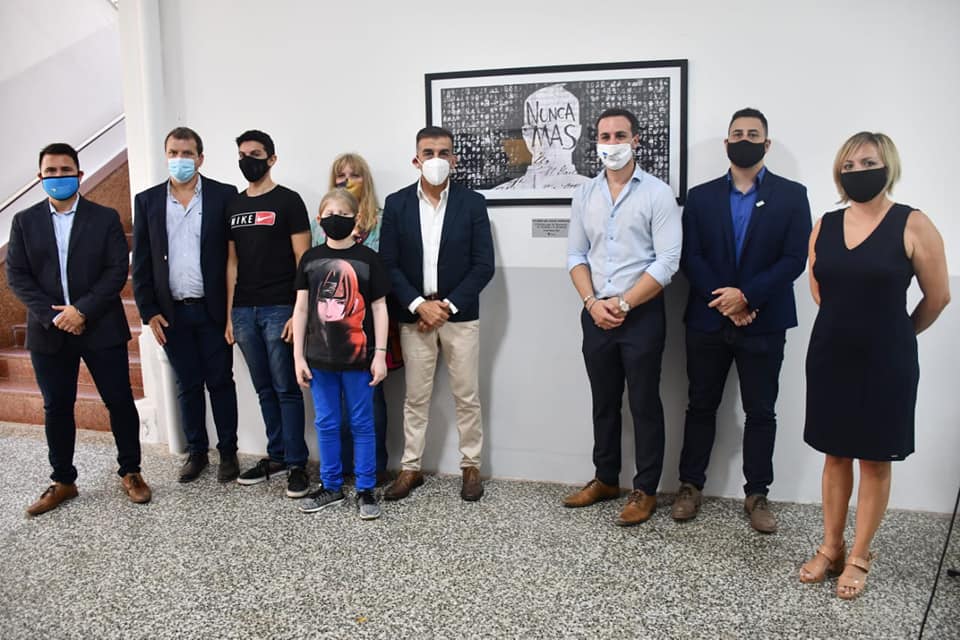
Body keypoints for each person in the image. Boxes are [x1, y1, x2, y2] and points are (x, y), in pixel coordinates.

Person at [799, 132, 949, 599]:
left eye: (868, 162)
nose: (857, 171)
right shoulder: (825, 224)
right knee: (835, 453)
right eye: (849, 164)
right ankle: (831, 547)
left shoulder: (913, 222)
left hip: (887, 360)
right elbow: (819, 288)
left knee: (875, 457)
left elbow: (938, 296)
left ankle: (860, 554)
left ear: (888, 167)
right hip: (830, 354)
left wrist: (898, 333)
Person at [671, 108, 812, 533]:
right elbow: (691, 256)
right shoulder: (700, 197)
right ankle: (690, 486)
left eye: (753, 134)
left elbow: (794, 258)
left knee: (761, 410)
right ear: (726, 143)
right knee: (700, 405)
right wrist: (726, 301)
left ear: (766, 144)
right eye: (737, 134)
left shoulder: (792, 195)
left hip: (764, 321)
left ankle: (757, 493)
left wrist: (747, 297)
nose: (744, 140)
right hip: (708, 319)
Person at [7, 143, 152, 515]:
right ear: (40, 177)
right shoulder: (24, 221)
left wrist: (82, 310)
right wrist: (54, 315)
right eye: (51, 171)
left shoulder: (104, 217)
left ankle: (131, 471)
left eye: (65, 170)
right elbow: (17, 276)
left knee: (119, 401)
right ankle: (63, 480)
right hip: (49, 330)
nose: (58, 177)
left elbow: (116, 269)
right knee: (56, 407)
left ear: (79, 174)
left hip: (101, 325)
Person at [563, 108, 682, 526]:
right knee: (604, 401)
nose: (611, 144)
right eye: (604, 136)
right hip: (596, 313)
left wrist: (625, 304)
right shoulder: (585, 194)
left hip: (641, 314)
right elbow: (576, 255)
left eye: (619, 135)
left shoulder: (657, 194)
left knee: (644, 403)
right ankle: (605, 478)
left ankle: (645, 489)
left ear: (636, 140)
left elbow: (668, 261)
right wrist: (592, 303)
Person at [379, 125, 495, 502]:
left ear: (454, 159)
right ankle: (410, 468)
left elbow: (483, 265)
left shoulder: (472, 203)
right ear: (416, 160)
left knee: (467, 395)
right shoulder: (397, 204)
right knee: (415, 398)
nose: (436, 160)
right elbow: (388, 263)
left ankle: (471, 466)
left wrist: (447, 306)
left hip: (459, 315)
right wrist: (418, 304)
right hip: (415, 316)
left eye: (444, 153)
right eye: (428, 153)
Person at [132, 126, 240, 483]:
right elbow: (141, 262)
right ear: (166, 157)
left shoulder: (224, 195)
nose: (180, 160)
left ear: (200, 158)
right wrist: (149, 311)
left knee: (221, 382)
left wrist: (232, 312)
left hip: (213, 310)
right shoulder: (147, 201)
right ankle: (197, 453)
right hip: (171, 313)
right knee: (187, 384)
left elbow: (234, 256)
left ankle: (228, 452)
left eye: (187, 153)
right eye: (173, 153)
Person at [293, 188, 390, 519]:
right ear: (319, 219)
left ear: (357, 219)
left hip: (359, 359)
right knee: (327, 422)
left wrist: (380, 354)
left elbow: (380, 308)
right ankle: (331, 485)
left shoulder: (369, 260)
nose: (336, 219)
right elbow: (301, 308)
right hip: (319, 360)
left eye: (343, 214)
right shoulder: (309, 259)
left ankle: (366, 488)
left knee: (362, 423)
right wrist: (298, 357)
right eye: (330, 214)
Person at [225, 129, 311, 498]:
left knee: (285, 388)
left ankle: (297, 463)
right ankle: (276, 455)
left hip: (280, 308)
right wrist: (229, 315)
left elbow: (303, 260)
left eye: (256, 154)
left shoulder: (289, 201)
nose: (248, 161)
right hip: (243, 311)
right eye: (242, 155)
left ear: (272, 159)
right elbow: (231, 263)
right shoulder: (233, 205)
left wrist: (299, 312)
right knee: (263, 389)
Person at [309, 153, 391, 485]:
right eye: (340, 176)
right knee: (332, 410)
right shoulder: (321, 224)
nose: (347, 181)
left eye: (354, 175)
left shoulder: (380, 221)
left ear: (365, 179)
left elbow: (382, 271)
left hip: (366, 325)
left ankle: (371, 471)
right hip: (328, 333)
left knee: (370, 403)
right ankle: (338, 471)